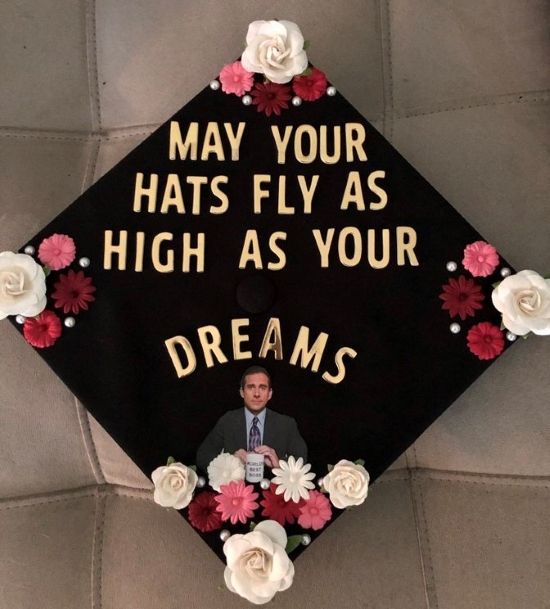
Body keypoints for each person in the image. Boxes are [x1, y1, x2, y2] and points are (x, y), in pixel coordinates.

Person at [196, 366, 307, 472]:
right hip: (235, 489)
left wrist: (279, 465)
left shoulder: (286, 424)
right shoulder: (228, 420)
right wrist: (230, 462)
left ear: (270, 394)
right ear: (242, 392)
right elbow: (203, 457)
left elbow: (302, 461)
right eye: (251, 387)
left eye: (262, 388)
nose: (257, 394)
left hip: (273, 490)